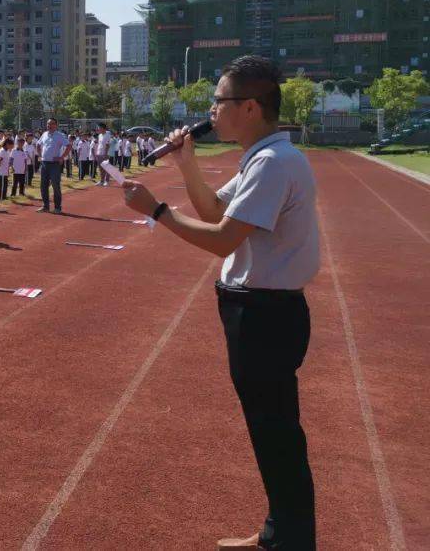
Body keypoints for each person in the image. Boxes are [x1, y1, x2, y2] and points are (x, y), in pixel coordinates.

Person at [121, 56, 319, 550]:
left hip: (265, 315)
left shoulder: (273, 164)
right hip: (257, 311)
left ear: (249, 107)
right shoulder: (262, 158)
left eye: (219, 102)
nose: (211, 111)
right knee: (271, 432)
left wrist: (158, 211)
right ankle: (280, 530)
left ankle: (290, 539)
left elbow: (221, 239)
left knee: (275, 434)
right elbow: (213, 208)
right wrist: (186, 164)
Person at [36, 118, 71, 213]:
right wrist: (39, 155)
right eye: (48, 124)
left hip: (54, 164)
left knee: (55, 185)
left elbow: (68, 146)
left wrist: (62, 157)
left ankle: (57, 207)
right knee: (43, 185)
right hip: (44, 163)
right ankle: (45, 206)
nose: (49, 126)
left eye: (51, 124)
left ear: (56, 125)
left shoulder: (59, 135)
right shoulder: (44, 134)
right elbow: (38, 145)